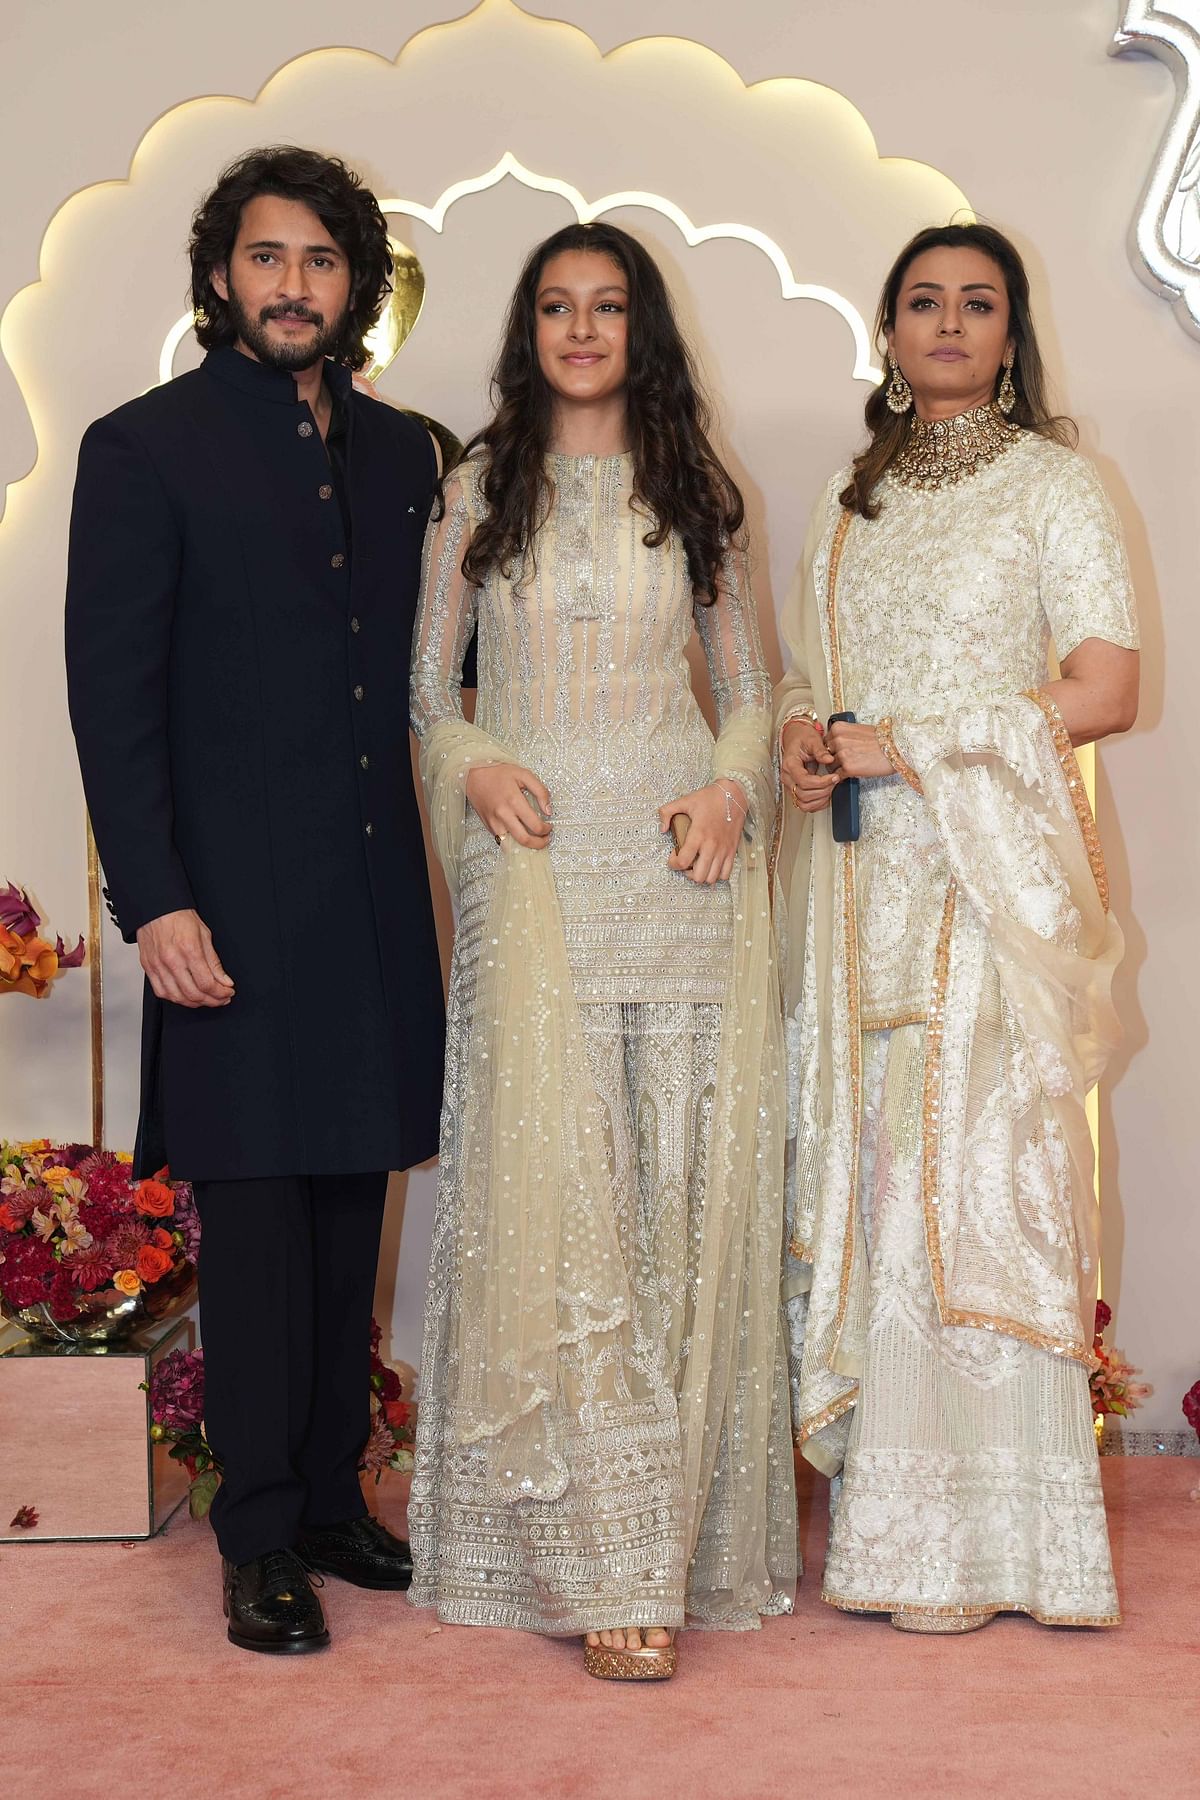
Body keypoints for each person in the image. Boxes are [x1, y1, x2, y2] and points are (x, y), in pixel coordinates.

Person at [65, 146, 448, 1654]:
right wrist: (153, 899)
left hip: (371, 902)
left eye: (323, 262)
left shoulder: (410, 452)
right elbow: (116, 702)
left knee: (351, 1206)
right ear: (224, 274)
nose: (295, 286)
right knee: (254, 1219)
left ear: (360, 286)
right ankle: (260, 1534)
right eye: (268, 258)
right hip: (223, 908)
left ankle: (341, 1503)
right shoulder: (143, 446)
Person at [408, 221, 797, 1681]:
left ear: (644, 328)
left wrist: (729, 786)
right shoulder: (471, 491)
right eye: (558, 307)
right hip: (535, 858)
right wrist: (472, 763)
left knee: (668, 1197)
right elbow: (426, 689)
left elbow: (753, 690)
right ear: (529, 330)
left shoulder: (700, 491)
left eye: (608, 306)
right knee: (557, 1199)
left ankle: (670, 1540)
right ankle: (588, 1550)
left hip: (675, 862)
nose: (583, 329)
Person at [774, 222, 1139, 1631]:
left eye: (976, 303)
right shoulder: (847, 498)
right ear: (887, 328)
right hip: (862, 885)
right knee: (877, 1183)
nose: (948, 323)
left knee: (983, 1187)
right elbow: (821, 677)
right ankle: (897, 1528)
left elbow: (1102, 690)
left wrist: (905, 744)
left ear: (1009, 330)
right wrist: (811, 741)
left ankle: (1010, 1548)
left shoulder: (1059, 483)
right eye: (923, 301)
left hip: (994, 885)